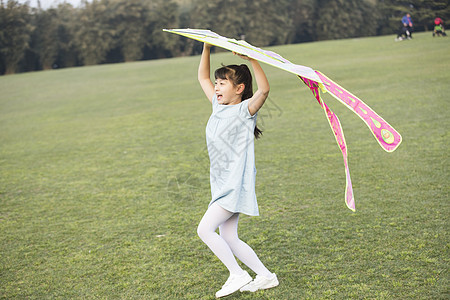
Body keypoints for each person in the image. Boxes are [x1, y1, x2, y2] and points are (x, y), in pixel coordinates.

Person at [196, 43, 279, 298]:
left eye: (223, 83)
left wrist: (252, 59)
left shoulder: (244, 111)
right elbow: (201, 76)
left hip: (234, 184)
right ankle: (266, 276)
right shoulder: (217, 106)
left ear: (239, 89)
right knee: (229, 236)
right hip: (221, 183)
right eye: (217, 83)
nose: (217, 87)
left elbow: (264, 90)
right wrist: (206, 47)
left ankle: (238, 274)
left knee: (204, 230)